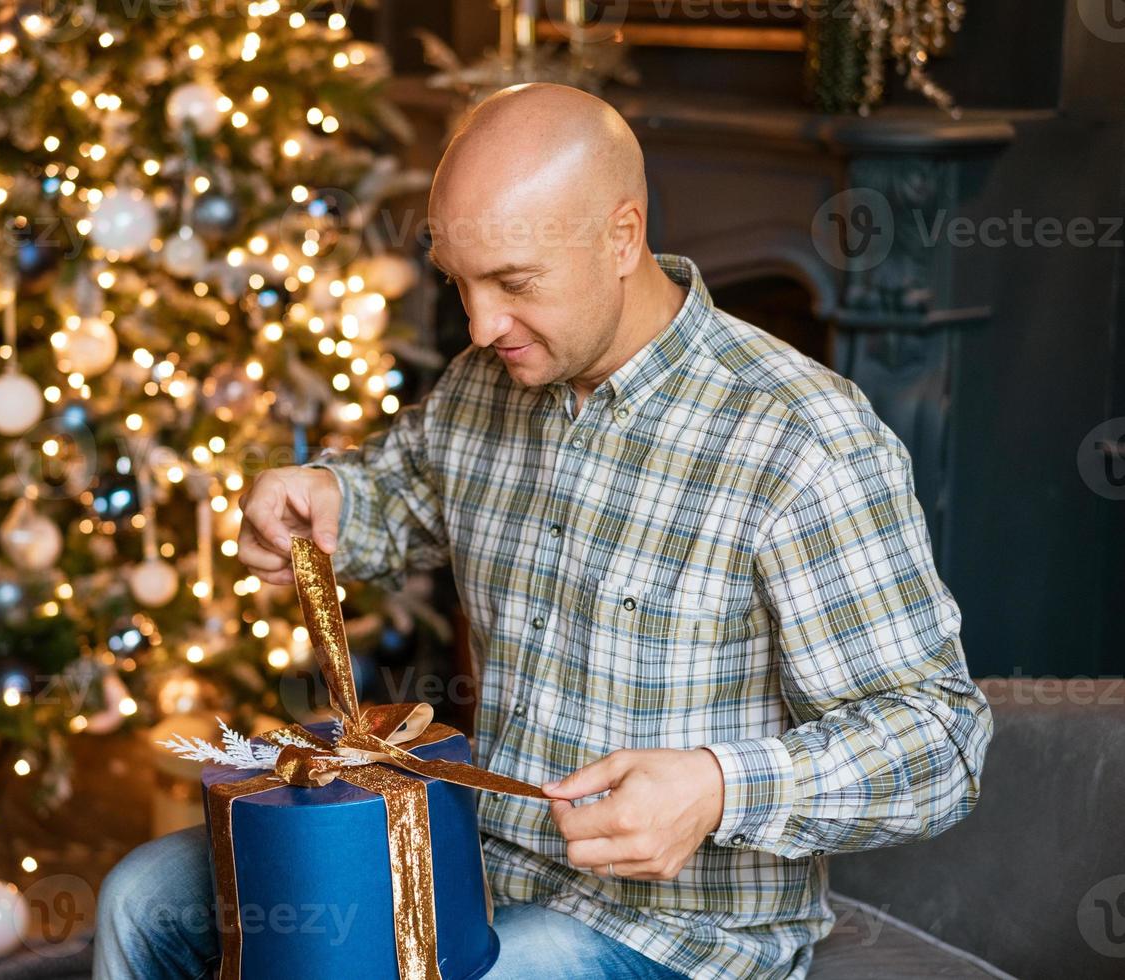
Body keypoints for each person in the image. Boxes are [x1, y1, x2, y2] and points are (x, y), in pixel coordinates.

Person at [95, 83, 993, 980]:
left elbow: (941, 740)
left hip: (679, 938)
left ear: (621, 237)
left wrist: (721, 787)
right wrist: (323, 495)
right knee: (141, 899)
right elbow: (396, 492)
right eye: (462, 283)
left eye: (514, 283)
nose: (482, 325)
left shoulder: (803, 440)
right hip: (479, 858)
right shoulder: (492, 379)